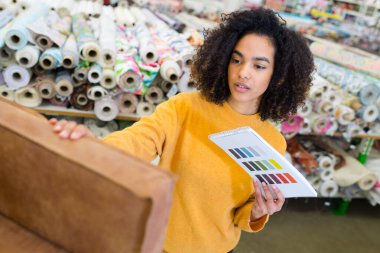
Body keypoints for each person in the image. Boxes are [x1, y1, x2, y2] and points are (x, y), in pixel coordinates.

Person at [50, 7, 314, 253]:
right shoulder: (185, 108)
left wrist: (258, 211)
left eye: (258, 66)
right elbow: (137, 140)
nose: (243, 73)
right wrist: (92, 147)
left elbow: (242, 215)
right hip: (158, 244)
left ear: (278, 75)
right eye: (236, 60)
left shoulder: (272, 142)